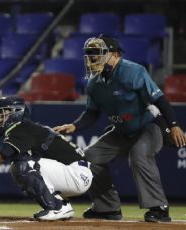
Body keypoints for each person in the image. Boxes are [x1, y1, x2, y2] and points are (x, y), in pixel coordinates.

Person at [53, 34, 186, 222]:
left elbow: (160, 99)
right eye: (91, 54)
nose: (93, 59)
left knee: (139, 154)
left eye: (98, 54)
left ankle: (159, 208)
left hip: (149, 126)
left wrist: (174, 125)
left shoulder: (133, 71)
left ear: (115, 55)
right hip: (121, 131)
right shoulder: (94, 83)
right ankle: (107, 208)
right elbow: (92, 112)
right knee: (90, 157)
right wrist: (75, 125)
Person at [0, 96, 93, 221]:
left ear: (16, 112)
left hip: (76, 174)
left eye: (2, 114)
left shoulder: (21, 127)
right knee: (24, 162)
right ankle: (62, 205)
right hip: (75, 173)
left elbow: (2, 153)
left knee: (21, 165)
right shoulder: (26, 127)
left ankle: (56, 208)